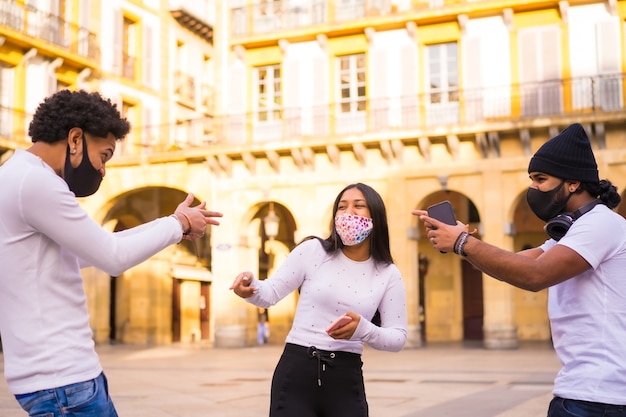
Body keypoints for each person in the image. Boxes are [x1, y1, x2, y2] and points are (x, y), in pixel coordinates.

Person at [0, 89, 222, 417]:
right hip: (62, 380)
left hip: (56, 378)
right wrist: (177, 226)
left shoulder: (16, 175)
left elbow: (90, 250)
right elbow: (112, 256)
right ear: (75, 139)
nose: (103, 171)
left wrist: (174, 224)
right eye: (104, 156)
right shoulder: (36, 182)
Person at [413, 123, 626, 417]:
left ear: (573, 182)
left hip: (602, 398)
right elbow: (517, 264)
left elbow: (535, 276)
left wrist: (463, 243)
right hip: (580, 392)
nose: (533, 188)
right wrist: (461, 239)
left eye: (541, 179)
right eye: (531, 179)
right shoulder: (574, 231)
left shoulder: (601, 224)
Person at [230, 183, 407, 417]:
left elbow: (398, 337)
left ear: (376, 216)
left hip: (346, 378)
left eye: (358, 206)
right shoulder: (314, 251)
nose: (348, 213)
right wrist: (251, 286)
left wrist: (363, 329)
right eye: (341, 207)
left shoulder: (388, 273)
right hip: (296, 373)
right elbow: (270, 291)